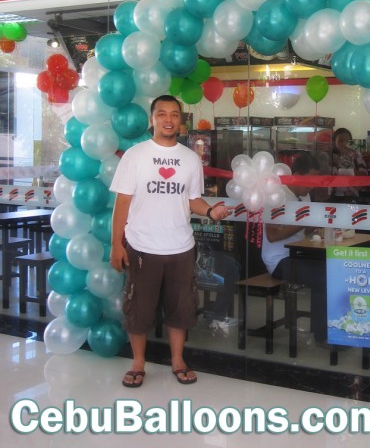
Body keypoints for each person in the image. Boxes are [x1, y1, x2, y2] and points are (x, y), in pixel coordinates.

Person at [110, 94, 232, 388]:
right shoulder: (135, 156)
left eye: (174, 114)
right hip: (142, 247)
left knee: (181, 308)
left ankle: (178, 361)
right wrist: (116, 244)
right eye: (162, 114)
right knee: (138, 308)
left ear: (181, 120)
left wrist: (211, 212)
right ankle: (138, 363)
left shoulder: (190, 159)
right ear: (152, 119)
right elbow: (121, 204)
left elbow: (193, 200)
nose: (168, 119)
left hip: (181, 248)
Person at [261, 152, 328, 343]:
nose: (312, 185)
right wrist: (303, 222)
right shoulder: (277, 196)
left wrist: (316, 225)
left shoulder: (304, 197)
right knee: (323, 277)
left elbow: (304, 229)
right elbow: (272, 235)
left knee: (336, 268)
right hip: (279, 260)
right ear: (296, 174)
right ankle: (323, 335)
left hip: (300, 253)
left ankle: (333, 327)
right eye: (310, 180)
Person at [331, 127, 368, 202]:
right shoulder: (330, 156)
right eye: (340, 141)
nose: (344, 144)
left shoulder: (356, 155)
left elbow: (364, 175)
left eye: (347, 141)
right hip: (332, 196)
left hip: (352, 196)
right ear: (334, 142)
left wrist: (346, 172)